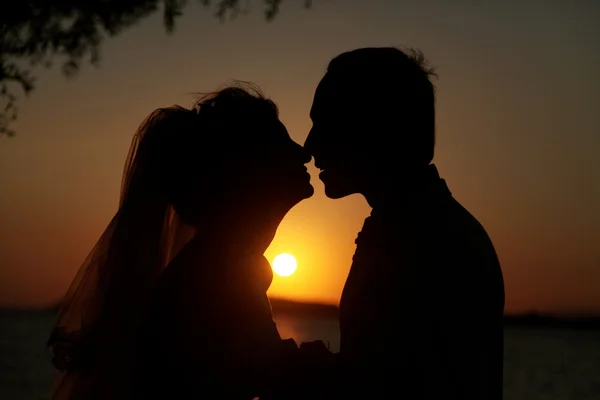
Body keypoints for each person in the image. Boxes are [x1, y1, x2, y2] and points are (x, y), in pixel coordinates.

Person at [47, 83, 313, 400]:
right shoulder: (219, 273)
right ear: (247, 171)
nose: (303, 152)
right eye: (282, 143)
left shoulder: (223, 263)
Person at [303, 47, 505, 399]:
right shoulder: (416, 227)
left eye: (326, 124)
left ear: (374, 128)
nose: (310, 145)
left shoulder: (431, 242)